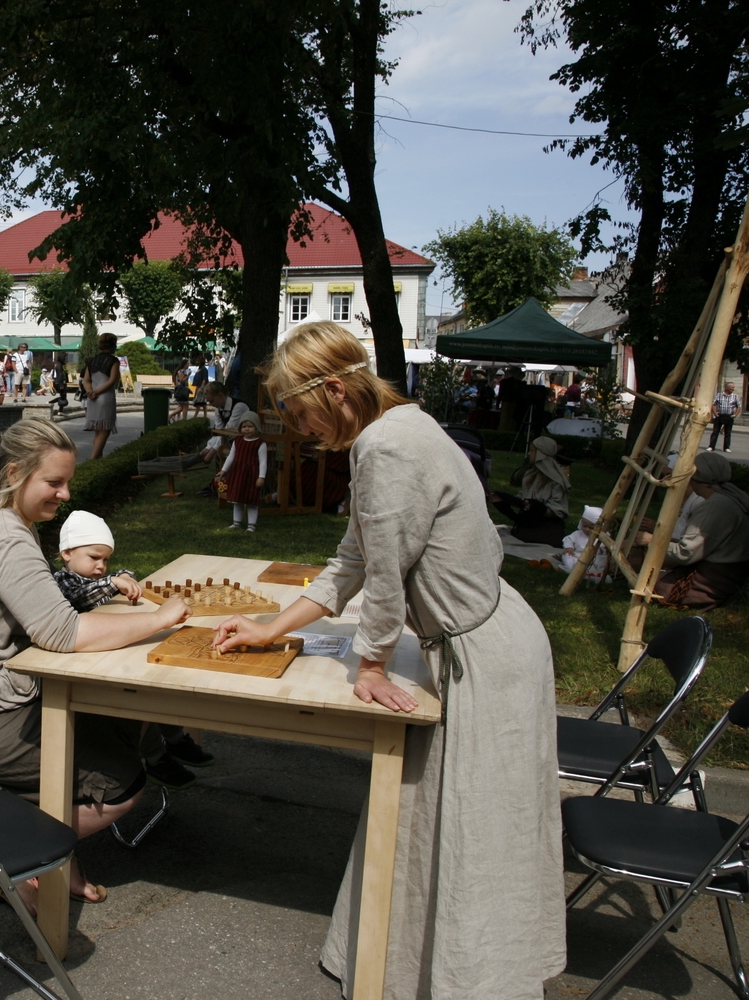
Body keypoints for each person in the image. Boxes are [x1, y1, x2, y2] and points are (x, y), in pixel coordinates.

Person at [212, 319, 564, 1000]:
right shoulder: (402, 426)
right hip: (479, 637)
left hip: (484, 654)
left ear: (337, 390)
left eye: (296, 408)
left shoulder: (387, 448)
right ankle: (407, 962)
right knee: (431, 811)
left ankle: (477, 979)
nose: (298, 424)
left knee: (474, 824)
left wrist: (370, 665)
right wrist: (271, 626)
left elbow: (386, 578)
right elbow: (354, 557)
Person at [0, 420, 191, 906]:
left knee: (116, 715)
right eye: (54, 482)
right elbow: (60, 633)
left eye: (66, 481)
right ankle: (21, 859)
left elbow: (46, 615)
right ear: (15, 472)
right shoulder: (4, 536)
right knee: (122, 785)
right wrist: (159, 619)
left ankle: (47, 847)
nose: (65, 493)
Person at [51, 510, 208, 789]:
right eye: (94, 558)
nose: (101, 566)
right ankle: (155, 758)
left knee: (158, 690)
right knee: (139, 702)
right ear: (66, 553)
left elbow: (104, 583)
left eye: (106, 560)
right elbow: (79, 595)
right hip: (83, 668)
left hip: (108, 653)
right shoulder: (62, 581)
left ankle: (175, 738)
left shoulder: (91, 577)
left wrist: (122, 576)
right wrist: (112, 581)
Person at [634, 451, 749, 609]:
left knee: (643, 583)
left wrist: (650, 541)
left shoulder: (716, 506)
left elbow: (686, 553)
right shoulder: (729, 498)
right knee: (640, 571)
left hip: (713, 579)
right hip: (724, 572)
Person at [487, 436, 570, 545]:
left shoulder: (556, 481)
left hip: (546, 528)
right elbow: (523, 500)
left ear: (540, 454)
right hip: (527, 525)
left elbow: (557, 511)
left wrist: (537, 508)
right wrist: (503, 499)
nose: (529, 454)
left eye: (532, 451)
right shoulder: (530, 475)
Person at [194, 383, 253, 497]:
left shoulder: (239, 407)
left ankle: (221, 487)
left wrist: (212, 451)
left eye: (211, 401)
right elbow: (218, 432)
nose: (210, 404)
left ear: (220, 395)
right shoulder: (219, 409)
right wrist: (207, 448)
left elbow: (227, 432)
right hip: (233, 440)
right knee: (221, 451)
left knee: (220, 452)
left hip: (248, 441)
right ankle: (219, 486)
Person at [217, 417, 267, 532]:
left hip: (252, 475)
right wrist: (224, 469)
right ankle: (236, 523)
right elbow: (231, 456)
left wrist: (261, 477)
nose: (247, 429)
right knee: (237, 499)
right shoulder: (237, 440)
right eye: (244, 427)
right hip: (237, 473)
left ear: (256, 427)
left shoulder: (260, 443)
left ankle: (251, 525)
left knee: (251, 500)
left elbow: (263, 461)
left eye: (250, 426)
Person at [82, 332, 119, 459]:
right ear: (113, 344)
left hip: (92, 399)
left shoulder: (92, 361)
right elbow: (112, 380)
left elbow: (86, 380)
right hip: (105, 397)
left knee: (98, 432)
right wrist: (97, 392)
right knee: (105, 430)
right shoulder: (113, 360)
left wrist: (90, 391)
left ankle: (98, 459)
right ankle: (92, 460)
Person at [561, 505, 608, 582]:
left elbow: (605, 549)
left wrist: (605, 550)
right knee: (566, 555)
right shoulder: (578, 534)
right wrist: (569, 547)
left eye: (591, 527)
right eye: (585, 526)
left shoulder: (602, 538)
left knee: (602, 561)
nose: (586, 529)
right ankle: (571, 568)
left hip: (594, 560)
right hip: (577, 557)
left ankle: (592, 573)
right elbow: (568, 539)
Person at [709, 381, 742, 452]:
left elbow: (739, 406)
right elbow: (714, 404)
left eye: (733, 387)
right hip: (720, 415)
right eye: (732, 387)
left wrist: (735, 415)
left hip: (729, 416)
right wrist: (715, 413)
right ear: (727, 387)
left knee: (727, 432)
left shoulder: (735, 396)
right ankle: (711, 446)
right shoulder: (719, 395)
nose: (733, 389)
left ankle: (726, 447)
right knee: (715, 431)